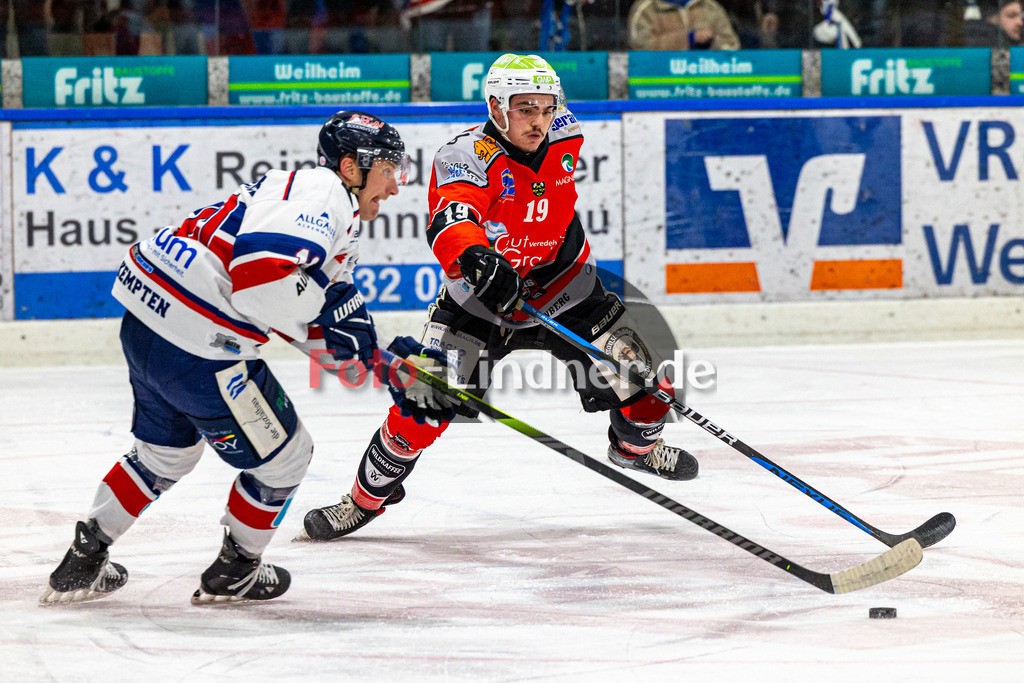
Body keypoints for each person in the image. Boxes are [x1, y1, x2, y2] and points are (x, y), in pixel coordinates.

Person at [40, 111, 453, 605]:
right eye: (388, 169)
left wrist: (383, 364)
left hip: (147, 323)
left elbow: (308, 313)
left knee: (164, 455)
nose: (395, 185)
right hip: (198, 341)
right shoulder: (326, 195)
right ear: (350, 166)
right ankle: (236, 570)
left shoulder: (300, 194)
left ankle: (83, 558)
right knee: (287, 459)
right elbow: (264, 287)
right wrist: (348, 333)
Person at [298, 54, 699, 543]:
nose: (538, 120)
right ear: (496, 106)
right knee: (425, 402)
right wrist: (474, 255)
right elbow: (450, 218)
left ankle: (634, 449)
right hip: (481, 302)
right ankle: (362, 502)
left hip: (566, 289)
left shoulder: (567, 133)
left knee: (649, 380)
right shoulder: (466, 154)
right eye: (525, 108)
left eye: (546, 107)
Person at [627, 0, 740, 51]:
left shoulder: (709, 6)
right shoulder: (646, 8)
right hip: (661, 85)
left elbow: (732, 45)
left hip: (706, 81)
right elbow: (640, 48)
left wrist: (711, 42)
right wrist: (688, 39)